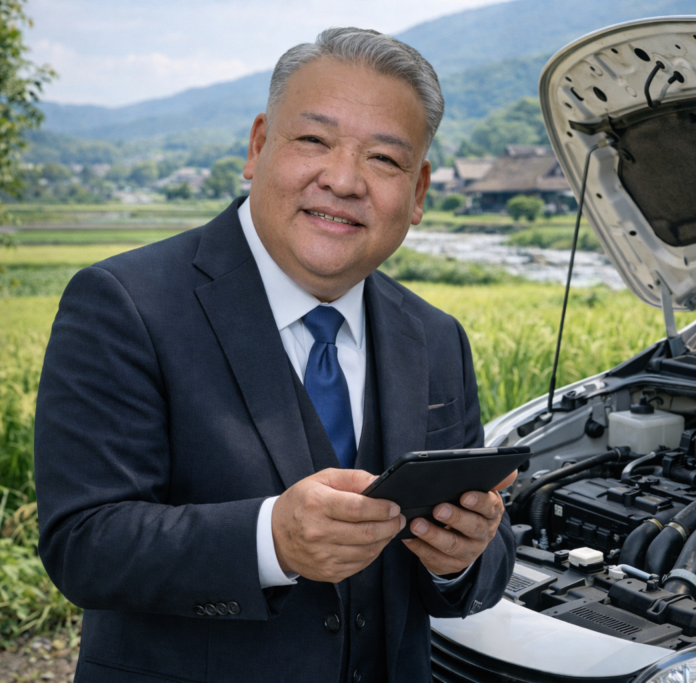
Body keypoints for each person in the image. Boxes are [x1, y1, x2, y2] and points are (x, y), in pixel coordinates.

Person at [34, 27, 516, 683]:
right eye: (314, 140)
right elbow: (84, 544)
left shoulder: (435, 336)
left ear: (420, 189)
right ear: (259, 146)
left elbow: (475, 577)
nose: (343, 180)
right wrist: (272, 539)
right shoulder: (126, 303)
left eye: (384, 159)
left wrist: (461, 554)